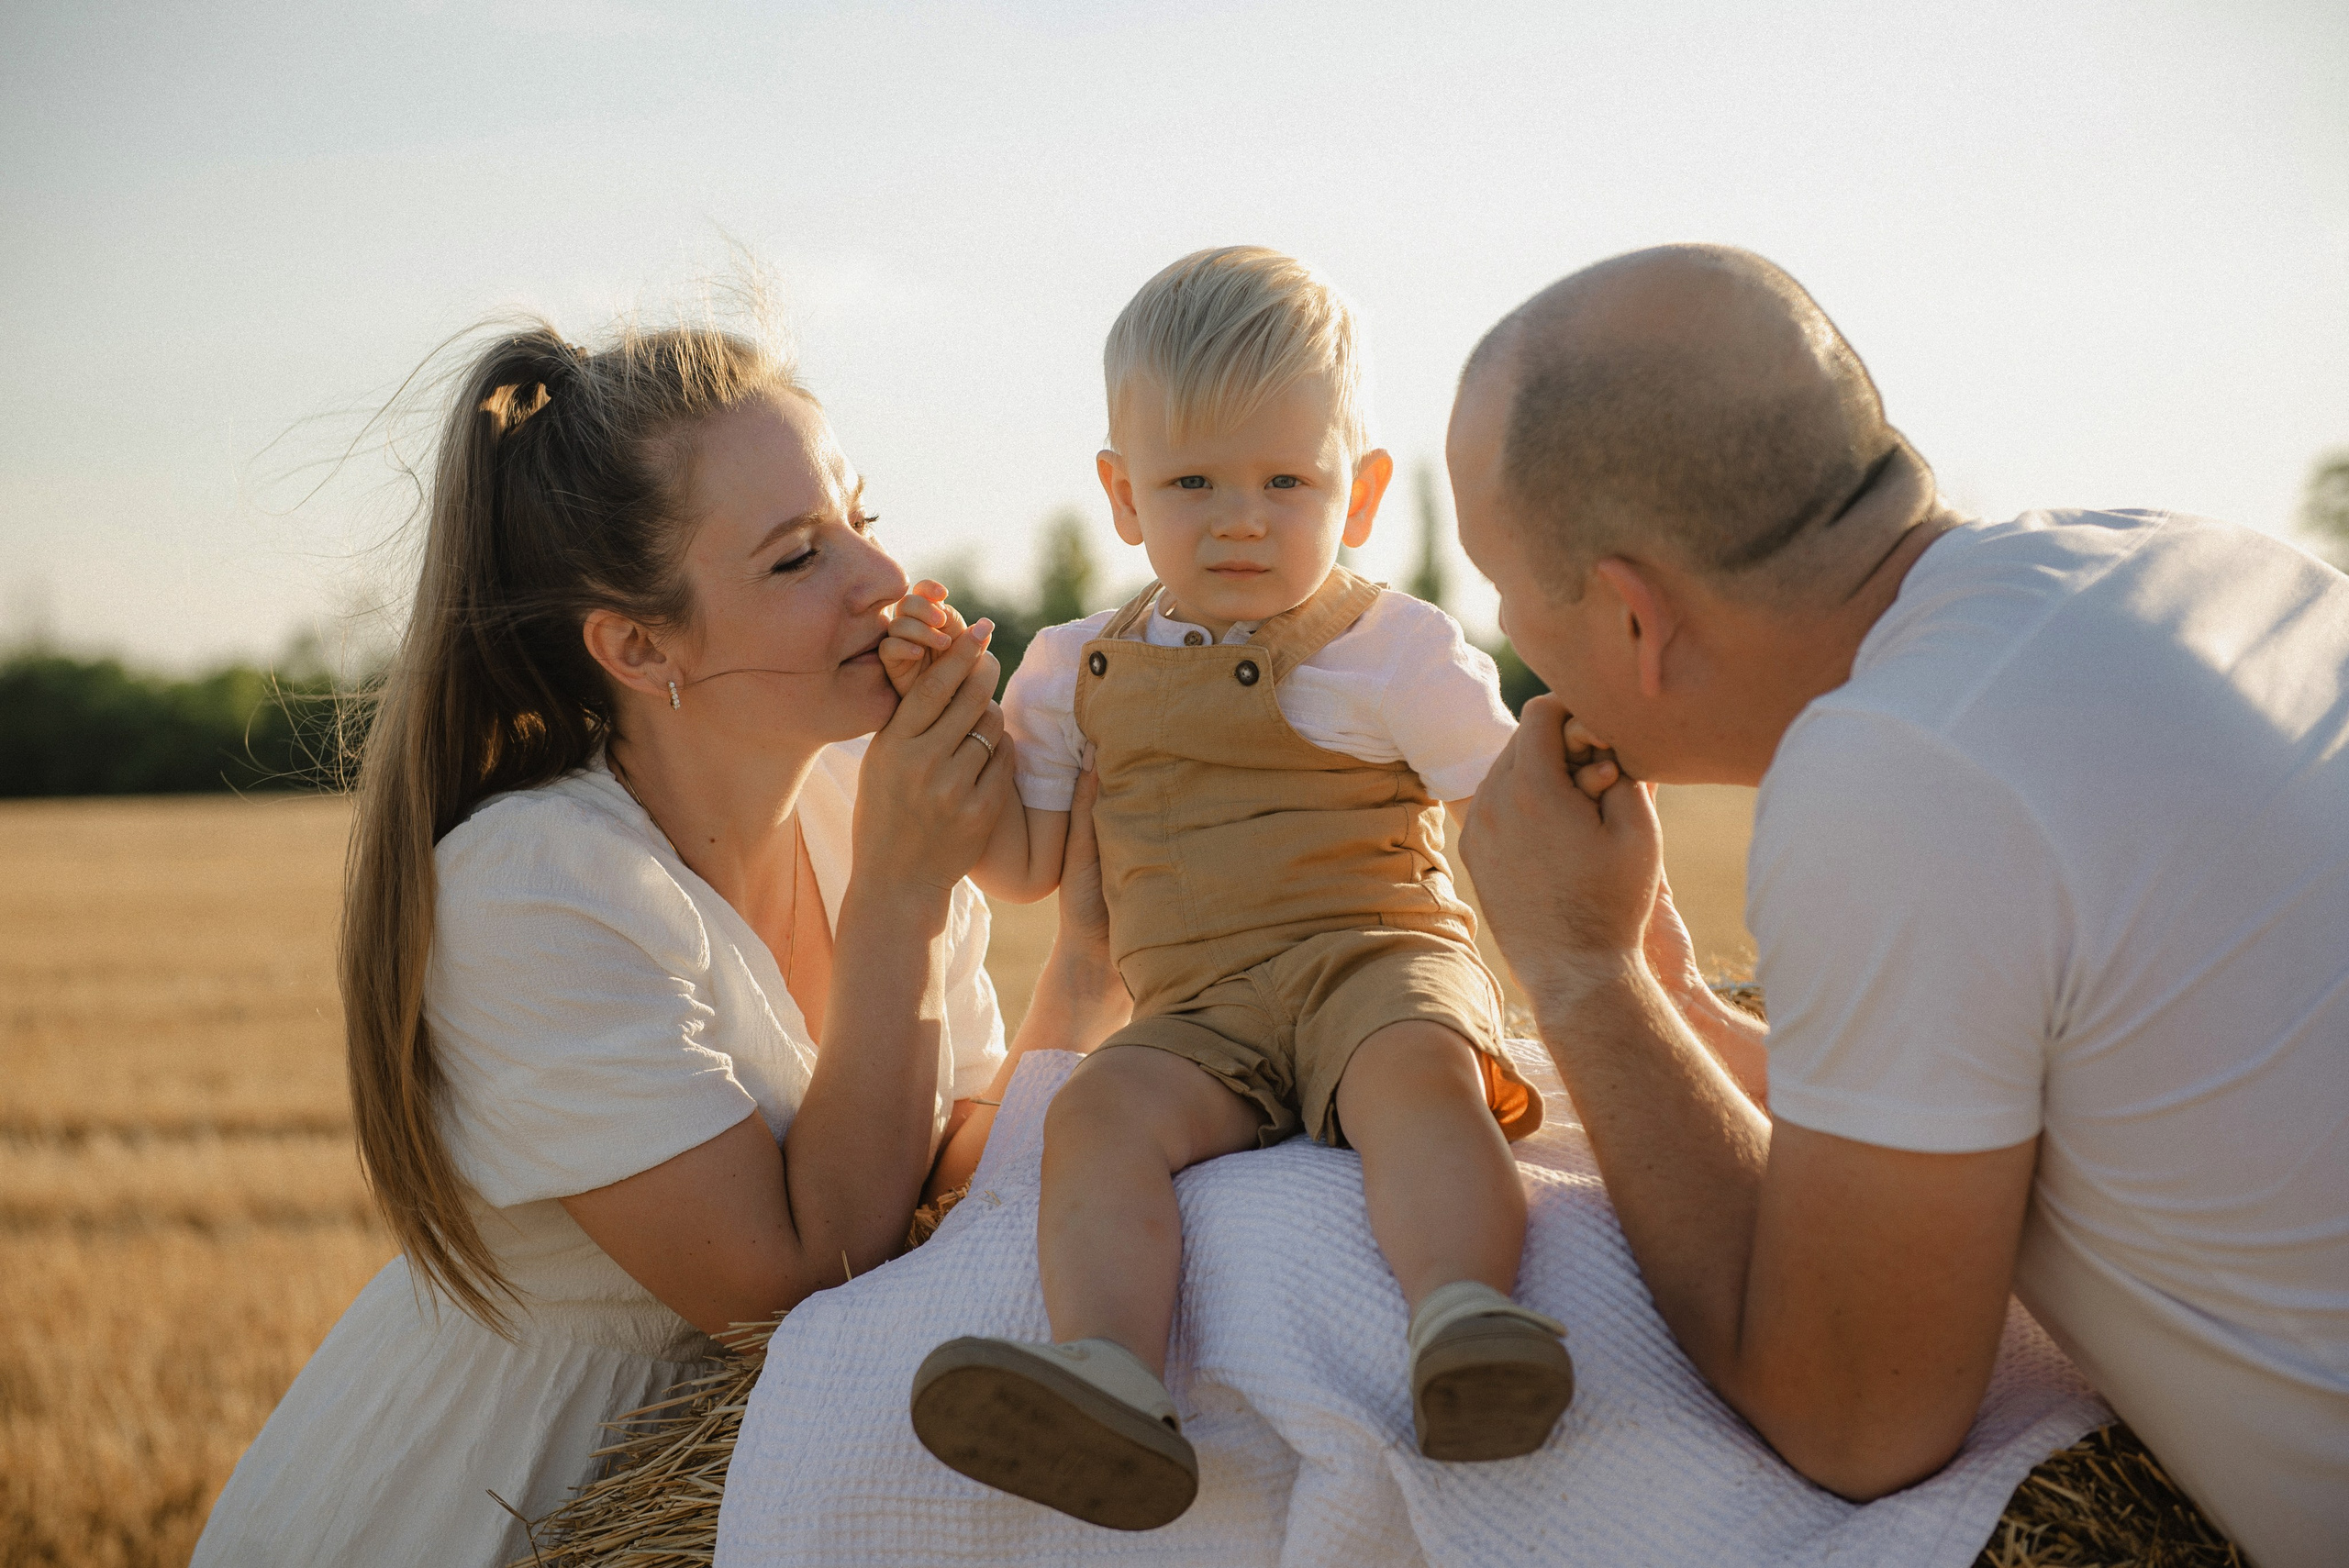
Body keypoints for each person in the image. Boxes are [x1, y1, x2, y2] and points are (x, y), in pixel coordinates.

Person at [1448, 243, 2349, 1568]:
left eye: (1512, 592)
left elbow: (1858, 1415)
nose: (1514, 637)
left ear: (1636, 616)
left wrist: (1579, 969)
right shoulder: (2185, 564)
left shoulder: (1896, 768)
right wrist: (1686, 1012)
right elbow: (1948, 1146)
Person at [192, 317, 1130, 1566]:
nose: (883, 576)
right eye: (801, 559)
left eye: (861, 514)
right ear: (639, 646)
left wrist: (1090, 958)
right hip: (518, 1497)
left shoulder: (863, 795)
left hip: (786, 1474)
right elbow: (798, 1275)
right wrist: (902, 896)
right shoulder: (535, 887)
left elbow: (950, 1177)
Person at [893, 246, 1571, 1534]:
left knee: (1417, 1074)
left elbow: (1508, 818)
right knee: (1099, 1111)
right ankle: (1108, 1378)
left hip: (1376, 956)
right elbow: (1030, 864)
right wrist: (947, 712)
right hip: (1198, 1008)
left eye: (1288, 480)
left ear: (1361, 491)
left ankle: (1466, 1316)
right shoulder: (1071, 668)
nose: (1242, 516)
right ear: (1122, 493)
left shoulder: (1393, 645)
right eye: (1193, 480)